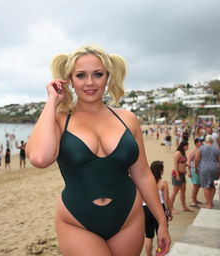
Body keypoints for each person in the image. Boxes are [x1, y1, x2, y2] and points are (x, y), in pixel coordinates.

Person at [26, 45, 171, 256]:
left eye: (98, 74)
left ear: (108, 77)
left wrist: (162, 221)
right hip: (76, 222)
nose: (90, 82)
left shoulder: (127, 119)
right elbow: (40, 158)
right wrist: (52, 101)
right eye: (81, 75)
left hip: (128, 220)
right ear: (70, 80)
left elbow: (143, 174)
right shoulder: (58, 119)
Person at [143, 161, 173, 256]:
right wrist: (170, 211)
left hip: (146, 208)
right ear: (161, 170)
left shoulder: (145, 181)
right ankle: (159, 253)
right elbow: (167, 199)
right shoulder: (163, 183)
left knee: (148, 235)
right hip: (159, 208)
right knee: (161, 234)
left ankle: (148, 255)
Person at [195, 135, 220, 208]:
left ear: (206, 141)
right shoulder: (216, 149)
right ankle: (211, 202)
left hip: (204, 167)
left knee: (206, 186)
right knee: (212, 186)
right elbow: (219, 160)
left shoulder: (201, 148)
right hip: (214, 167)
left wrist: (196, 168)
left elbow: (196, 159)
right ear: (212, 141)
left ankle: (209, 204)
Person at [170, 140, 193, 214]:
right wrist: (177, 175)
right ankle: (170, 208)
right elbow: (175, 164)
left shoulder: (183, 153)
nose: (187, 148)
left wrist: (187, 165)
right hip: (177, 174)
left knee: (183, 191)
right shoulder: (178, 153)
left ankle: (184, 207)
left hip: (182, 174)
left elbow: (182, 162)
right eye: (187, 146)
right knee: (175, 191)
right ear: (183, 146)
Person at [187, 138, 203, 208]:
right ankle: (193, 201)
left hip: (198, 169)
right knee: (195, 185)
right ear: (196, 143)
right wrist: (189, 171)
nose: (202, 143)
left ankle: (195, 199)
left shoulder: (200, 150)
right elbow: (189, 161)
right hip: (194, 169)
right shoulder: (193, 151)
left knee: (198, 185)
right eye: (200, 142)